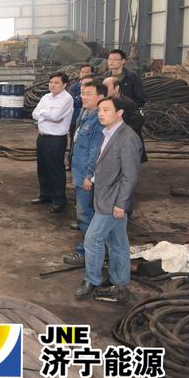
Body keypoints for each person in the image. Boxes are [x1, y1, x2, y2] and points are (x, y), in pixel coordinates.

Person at [75, 97, 142, 302]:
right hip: (105, 197)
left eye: (106, 110)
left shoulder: (127, 138)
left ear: (119, 113)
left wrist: (121, 204)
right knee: (117, 241)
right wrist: (92, 176)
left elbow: (130, 176)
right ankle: (119, 284)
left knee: (92, 239)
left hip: (113, 202)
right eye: (100, 110)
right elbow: (103, 162)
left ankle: (92, 281)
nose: (101, 114)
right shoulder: (107, 133)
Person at [63, 81, 107, 266]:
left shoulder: (98, 120)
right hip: (79, 171)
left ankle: (87, 253)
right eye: (83, 93)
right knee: (85, 214)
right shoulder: (85, 113)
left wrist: (90, 175)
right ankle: (97, 249)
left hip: (86, 177)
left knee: (86, 215)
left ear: (101, 97)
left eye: (89, 94)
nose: (83, 97)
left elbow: (95, 151)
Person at [31, 72, 74, 213]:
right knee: (42, 168)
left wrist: (43, 113)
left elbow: (56, 117)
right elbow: (34, 114)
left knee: (55, 170)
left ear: (64, 84)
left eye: (56, 82)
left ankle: (59, 200)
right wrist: (46, 114)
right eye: (51, 82)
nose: (52, 85)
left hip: (56, 140)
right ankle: (45, 195)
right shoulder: (46, 97)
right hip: (42, 137)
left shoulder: (67, 99)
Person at [103, 76, 147, 163]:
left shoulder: (128, 103)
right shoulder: (106, 102)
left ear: (117, 88)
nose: (103, 90)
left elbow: (137, 122)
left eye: (106, 87)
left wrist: (121, 131)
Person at [68, 65, 93, 130]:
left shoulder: (95, 86)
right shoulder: (73, 86)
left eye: (87, 72)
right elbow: (72, 101)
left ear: (92, 73)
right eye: (82, 72)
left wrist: (79, 98)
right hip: (75, 119)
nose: (84, 74)